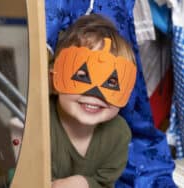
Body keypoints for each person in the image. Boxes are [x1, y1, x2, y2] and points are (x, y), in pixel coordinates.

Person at [49, 14, 137, 188]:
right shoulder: (40, 123)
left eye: (112, 82)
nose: (96, 93)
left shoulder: (118, 134)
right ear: (54, 78)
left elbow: (105, 184)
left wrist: (85, 184)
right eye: (82, 76)